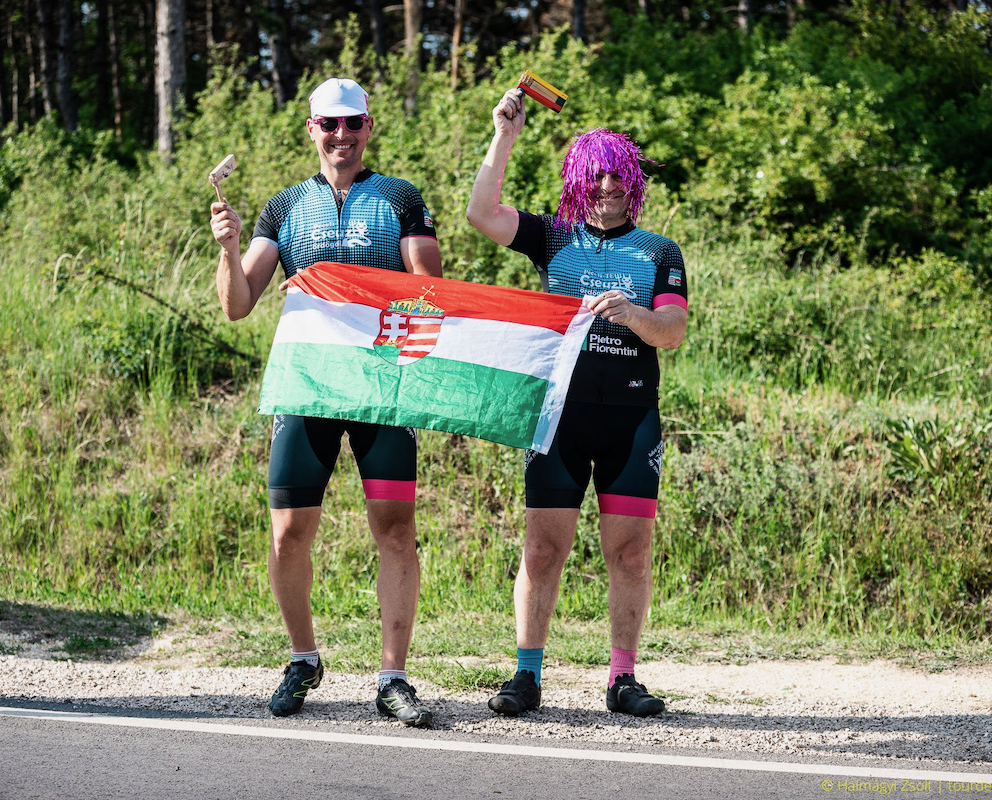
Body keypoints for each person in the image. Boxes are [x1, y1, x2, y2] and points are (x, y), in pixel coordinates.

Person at [210, 77, 442, 727]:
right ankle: (302, 659)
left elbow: (432, 290)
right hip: (307, 385)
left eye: (353, 124)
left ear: (369, 127)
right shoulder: (283, 209)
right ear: (311, 130)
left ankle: (393, 678)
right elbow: (236, 305)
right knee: (288, 532)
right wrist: (228, 249)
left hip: (382, 387)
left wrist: (350, 292)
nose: (341, 135)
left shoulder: (399, 198)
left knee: (395, 530)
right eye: (329, 125)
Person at [465, 89, 688, 717]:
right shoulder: (553, 236)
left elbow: (672, 331)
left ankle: (622, 678)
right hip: (557, 417)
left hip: (631, 418)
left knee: (631, 551)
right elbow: (481, 214)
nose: (609, 186)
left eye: (619, 173)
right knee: (543, 549)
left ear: (633, 181)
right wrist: (503, 135)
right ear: (577, 179)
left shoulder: (659, 251)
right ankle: (527, 675)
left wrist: (634, 314)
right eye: (597, 174)